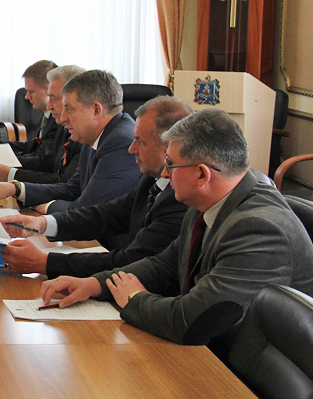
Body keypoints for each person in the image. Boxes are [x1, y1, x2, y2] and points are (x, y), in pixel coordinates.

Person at [40, 109, 313, 351]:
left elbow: (190, 319)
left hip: (237, 372)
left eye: (171, 164)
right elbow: (164, 266)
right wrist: (96, 284)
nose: (164, 174)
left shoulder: (259, 231)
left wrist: (134, 299)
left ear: (202, 174)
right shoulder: (210, 201)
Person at [0, 96, 192, 277]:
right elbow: (109, 214)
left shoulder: (182, 198)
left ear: (168, 147)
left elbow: (134, 261)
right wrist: (41, 224)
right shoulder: (152, 178)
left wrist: (45, 262)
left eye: (140, 141)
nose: (132, 148)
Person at [0, 70, 140, 238]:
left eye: (69, 109)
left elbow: (85, 210)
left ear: (96, 110)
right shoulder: (95, 134)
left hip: (107, 246)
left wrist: (46, 206)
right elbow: (73, 188)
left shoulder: (120, 142)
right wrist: (16, 188)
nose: (63, 118)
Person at [0, 65, 85, 184]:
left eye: (54, 99)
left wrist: (10, 174)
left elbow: (64, 182)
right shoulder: (64, 127)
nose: (49, 106)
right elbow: (50, 164)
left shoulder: (78, 134)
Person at [0, 60, 59, 159]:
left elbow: (42, 161)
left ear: (48, 89)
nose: (27, 97)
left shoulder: (58, 121)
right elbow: (29, 147)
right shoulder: (46, 115)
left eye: (31, 91)